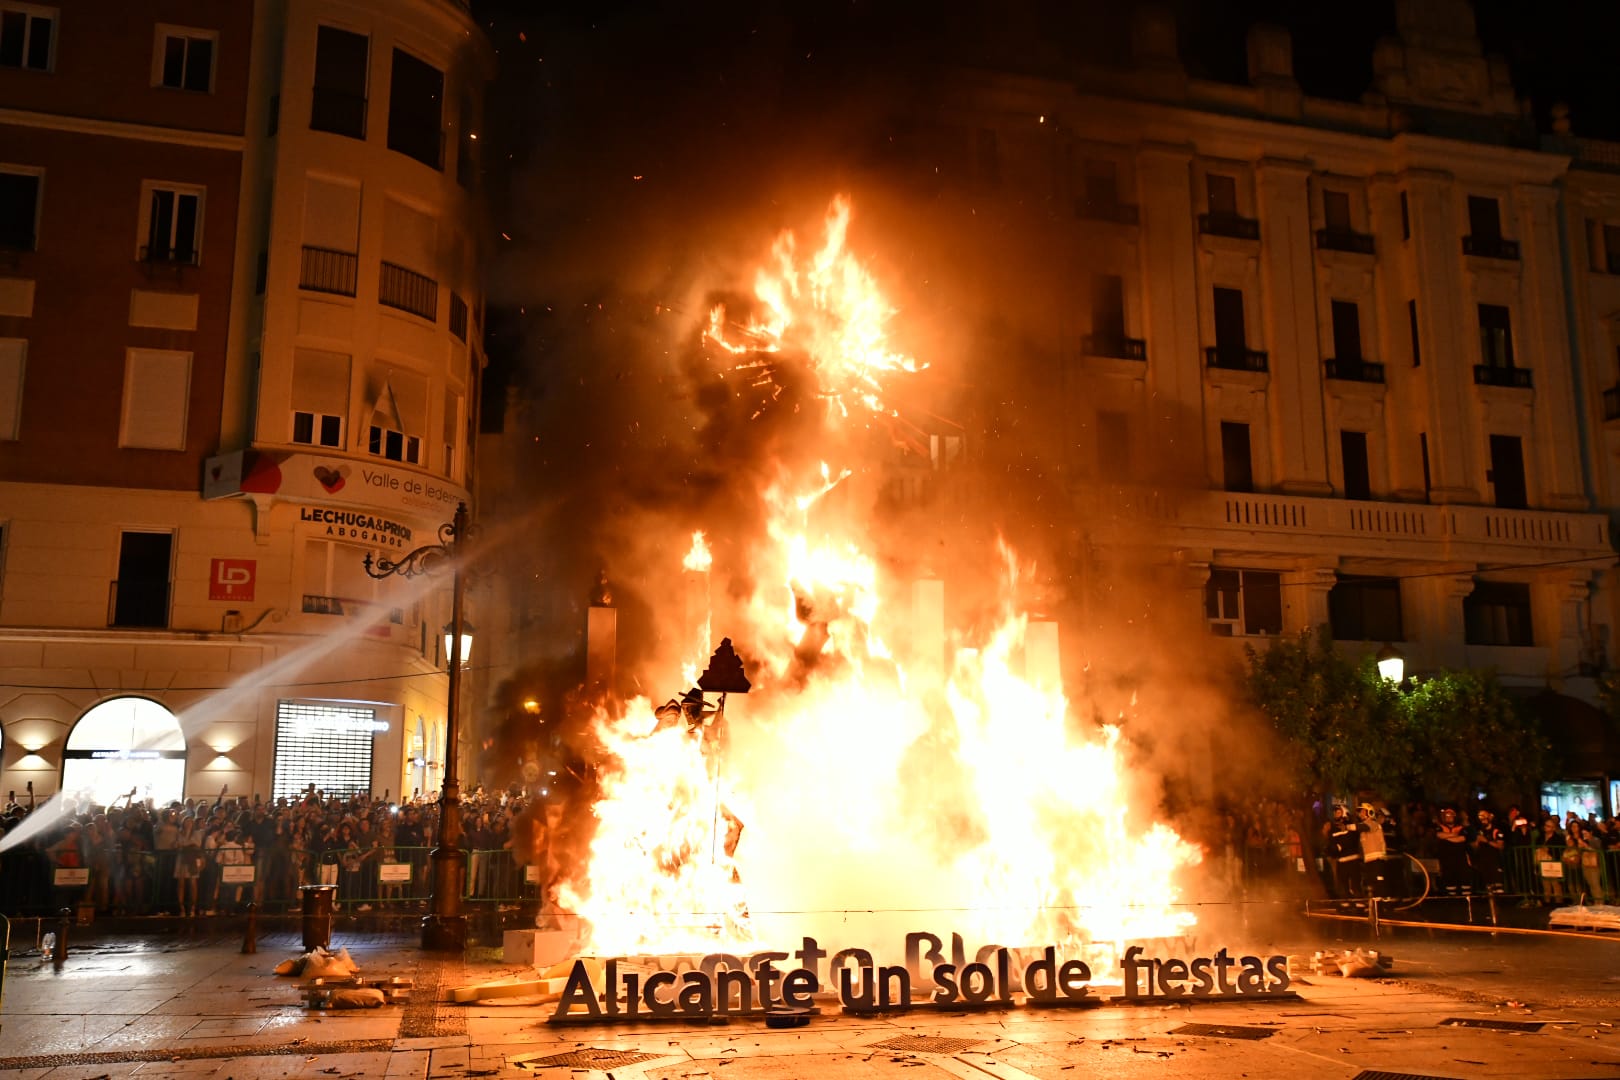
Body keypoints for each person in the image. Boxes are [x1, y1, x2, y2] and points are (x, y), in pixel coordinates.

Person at [1324, 805, 1362, 899]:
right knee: (1343, 885)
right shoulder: (1333, 830)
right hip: (1341, 862)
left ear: (1344, 813)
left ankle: (1359, 903)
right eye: (1335, 812)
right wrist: (1330, 850)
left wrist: (1339, 846)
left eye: (1338, 812)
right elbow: (1331, 844)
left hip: (1353, 860)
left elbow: (1352, 839)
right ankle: (1346, 904)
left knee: (1355, 886)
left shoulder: (1350, 826)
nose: (1335, 814)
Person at [1434, 806, 1472, 896]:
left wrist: (1447, 837)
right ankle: (1453, 900)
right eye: (1446, 815)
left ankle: (1467, 900)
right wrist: (1454, 835)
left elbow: (1462, 838)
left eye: (1451, 815)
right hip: (1447, 858)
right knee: (1449, 879)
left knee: (1464, 879)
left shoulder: (1461, 828)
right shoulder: (1440, 827)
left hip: (1460, 858)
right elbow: (1439, 835)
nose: (1449, 817)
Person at [1471, 809, 1505, 894]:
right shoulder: (1479, 831)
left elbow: (1500, 846)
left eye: (1484, 816)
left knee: (1498, 885)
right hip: (1483, 862)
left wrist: (1486, 841)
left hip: (1495, 861)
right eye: (1480, 816)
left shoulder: (1496, 831)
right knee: (1488, 886)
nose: (1483, 818)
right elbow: (1475, 847)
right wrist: (1476, 842)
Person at [1534, 815, 1565, 906]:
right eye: (1546, 825)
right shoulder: (1540, 838)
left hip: (1553, 863)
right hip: (1541, 862)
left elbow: (1560, 851)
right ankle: (1547, 902)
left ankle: (1558, 902)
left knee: (1555, 884)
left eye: (1549, 826)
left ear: (1554, 828)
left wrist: (1549, 850)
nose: (1546, 828)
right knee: (1545, 884)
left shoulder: (1558, 838)